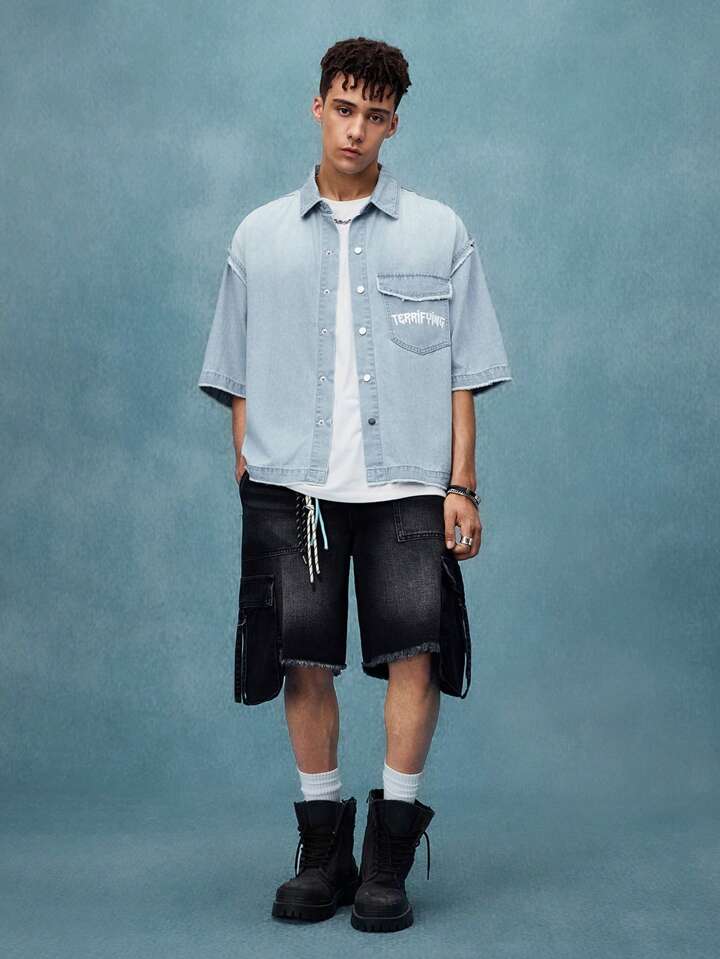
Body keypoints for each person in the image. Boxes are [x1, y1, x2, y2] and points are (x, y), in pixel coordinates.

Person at [198, 36, 512, 933]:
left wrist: (463, 485)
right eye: (344, 108)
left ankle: (387, 857)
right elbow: (233, 365)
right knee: (303, 662)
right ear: (318, 107)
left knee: (417, 657)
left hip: (408, 487)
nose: (356, 129)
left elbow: (464, 370)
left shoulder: (439, 232)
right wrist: (249, 453)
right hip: (292, 489)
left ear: (394, 125)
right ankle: (322, 849)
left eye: (376, 115)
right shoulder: (258, 235)